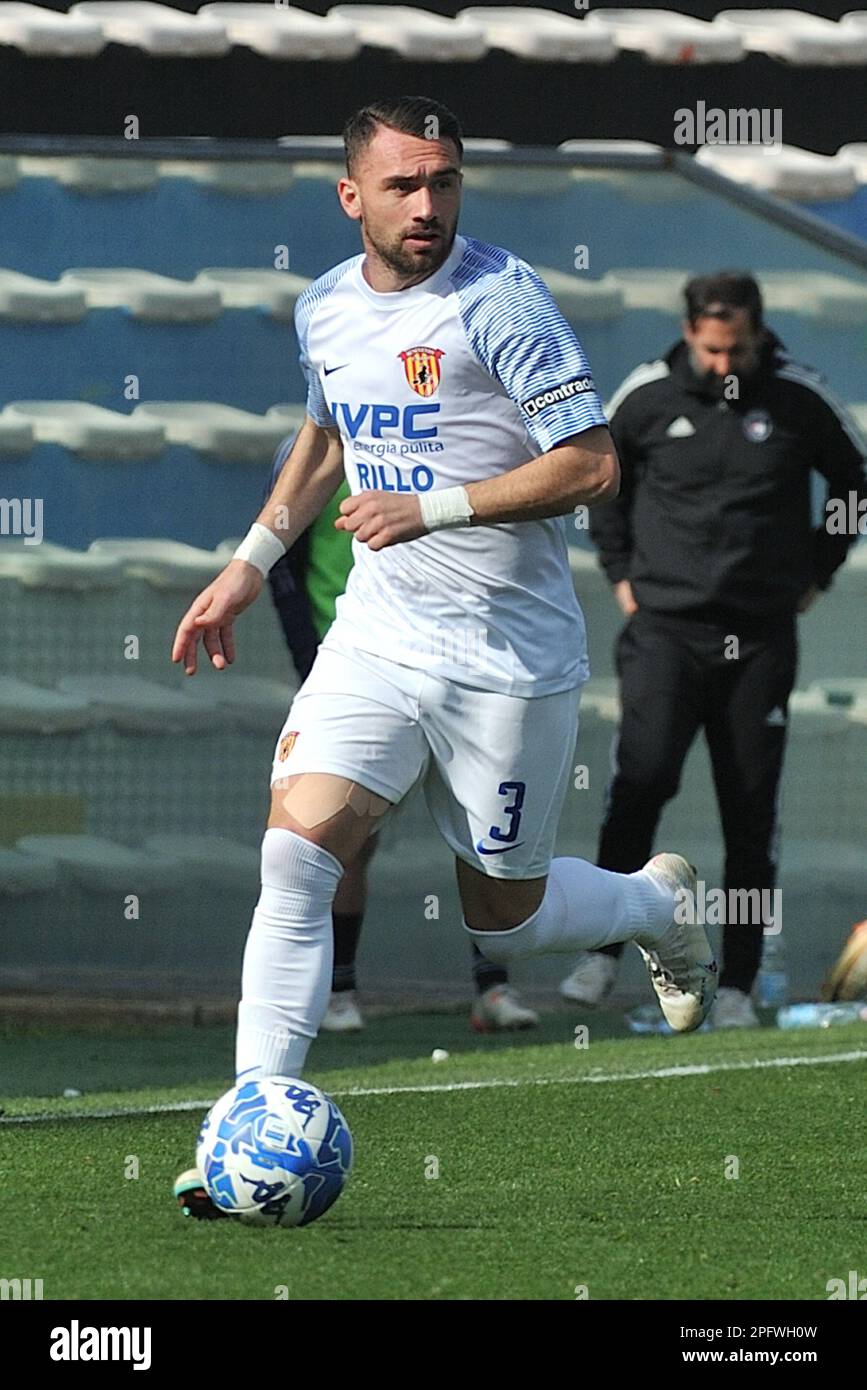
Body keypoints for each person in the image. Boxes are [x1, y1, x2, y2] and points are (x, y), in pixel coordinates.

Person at [171, 96, 717, 1218]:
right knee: (294, 858)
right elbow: (323, 436)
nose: (429, 205)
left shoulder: (501, 301)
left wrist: (436, 507)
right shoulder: (325, 306)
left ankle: (656, 906)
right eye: (407, 185)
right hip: (378, 634)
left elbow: (593, 465)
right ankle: (250, 1126)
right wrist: (246, 562)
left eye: (447, 182)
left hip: (506, 656)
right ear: (352, 196)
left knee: (498, 920)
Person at [559, 271, 867, 1028]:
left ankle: (736, 980)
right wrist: (622, 575)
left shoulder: (799, 396)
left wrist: (814, 575)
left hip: (759, 639)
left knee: (749, 811)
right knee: (642, 780)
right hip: (665, 631)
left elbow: (856, 483)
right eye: (710, 348)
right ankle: (601, 954)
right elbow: (599, 479)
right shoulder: (646, 395)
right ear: (689, 333)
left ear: (758, 334)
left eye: (735, 349)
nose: (723, 364)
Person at [264, 438, 539, 1033]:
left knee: (479, 833)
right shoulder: (312, 450)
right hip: (357, 659)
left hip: (465, 663)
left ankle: (493, 988)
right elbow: (283, 564)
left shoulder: (453, 435)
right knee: (331, 837)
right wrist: (310, 658)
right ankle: (337, 991)